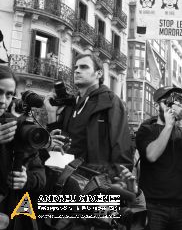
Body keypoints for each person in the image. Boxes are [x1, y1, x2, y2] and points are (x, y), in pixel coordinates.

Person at [135, 86, 182, 230]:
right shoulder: (147, 129)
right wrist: (168, 126)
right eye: (167, 102)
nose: (174, 105)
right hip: (154, 205)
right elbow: (152, 155)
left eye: (178, 101)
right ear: (156, 105)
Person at [45, 53, 133, 167]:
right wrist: (51, 113)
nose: (77, 71)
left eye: (84, 67)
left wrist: (119, 179)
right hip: (65, 175)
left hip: (94, 178)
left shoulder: (110, 101)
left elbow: (121, 145)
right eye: (76, 67)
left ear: (99, 73)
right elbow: (59, 140)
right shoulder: (71, 103)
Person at [0, 65, 45, 229]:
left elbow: (40, 175)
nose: (2, 100)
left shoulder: (18, 127)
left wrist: (27, 180)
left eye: (8, 94)